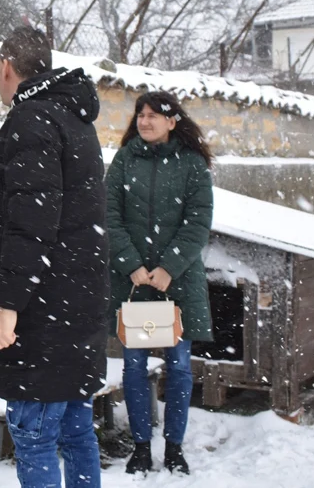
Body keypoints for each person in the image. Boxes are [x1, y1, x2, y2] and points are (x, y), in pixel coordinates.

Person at [0, 26, 109, 488]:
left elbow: (32, 222)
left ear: (7, 67)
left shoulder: (32, 119)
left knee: (33, 435)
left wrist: (8, 307)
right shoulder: (73, 116)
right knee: (75, 432)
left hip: (44, 311)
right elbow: (22, 193)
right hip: (78, 300)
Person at [105, 91, 214, 475]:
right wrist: (131, 263)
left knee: (180, 368)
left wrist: (170, 266)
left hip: (177, 283)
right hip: (133, 284)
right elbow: (109, 214)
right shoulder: (123, 160)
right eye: (141, 115)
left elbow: (198, 222)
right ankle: (140, 447)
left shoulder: (192, 165)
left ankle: (174, 447)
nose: (145, 121)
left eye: (154, 115)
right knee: (134, 367)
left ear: (172, 121)